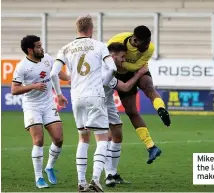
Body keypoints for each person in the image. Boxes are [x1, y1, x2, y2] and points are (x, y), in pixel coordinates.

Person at [50, 15, 117, 192]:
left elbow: (52, 74)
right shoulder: (99, 45)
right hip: (95, 95)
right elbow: (113, 68)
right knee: (103, 137)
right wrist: (103, 84)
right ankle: (95, 179)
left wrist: (58, 94)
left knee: (83, 137)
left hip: (76, 97)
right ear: (91, 29)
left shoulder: (65, 48)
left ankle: (81, 182)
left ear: (77, 29)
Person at [11, 35, 69, 188]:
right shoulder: (22, 66)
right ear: (30, 50)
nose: (41, 48)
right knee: (38, 141)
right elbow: (14, 89)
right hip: (32, 106)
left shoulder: (48, 58)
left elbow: (57, 73)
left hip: (49, 103)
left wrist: (65, 86)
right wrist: (33, 86)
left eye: (41, 45)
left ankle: (49, 167)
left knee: (58, 139)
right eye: (38, 46)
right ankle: (39, 178)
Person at [106, 25, 170, 164]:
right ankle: (151, 146)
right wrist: (133, 69)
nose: (147, 46)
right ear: (135, 40)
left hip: (137, 71)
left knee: (149, 88)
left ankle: (160, 109)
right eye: (144, 44)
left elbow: (137, 66)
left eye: (148, 42)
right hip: (122, 76)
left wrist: (132, 68)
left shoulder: (150, 48)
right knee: (131, 111)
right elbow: (110, 61)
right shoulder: (117, 41)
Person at [102, 42, 149, 186]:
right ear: (112, 56)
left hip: (107, 102)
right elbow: (126, 87)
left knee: (116, 134)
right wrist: (140, 73)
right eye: (122, 57)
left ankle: (113, 173)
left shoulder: (111, 67)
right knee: (104, 138)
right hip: (98, 103)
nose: (124, 60)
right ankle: (107, 175)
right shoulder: (106, 70)